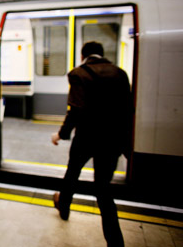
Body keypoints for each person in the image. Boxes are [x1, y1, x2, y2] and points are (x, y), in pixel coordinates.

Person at [51, 41, 132, 247]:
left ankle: (64, 208)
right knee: (104, 190)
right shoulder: (120, 74)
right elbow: (127, 111)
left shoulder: (79, 73)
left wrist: (61, 134)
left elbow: (75, 110)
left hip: (86, 138)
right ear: (102, 55)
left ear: (83, 56)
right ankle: (115, 241)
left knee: (72, 174)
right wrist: (126, 144)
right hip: (111, 142)